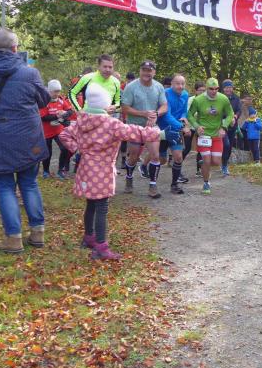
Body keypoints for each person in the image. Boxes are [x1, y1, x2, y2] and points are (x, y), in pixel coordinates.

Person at [59, 83, 164, 260]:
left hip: (85, 168)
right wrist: (159, 134)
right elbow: (135, 132)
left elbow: (64, 135)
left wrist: (78, 149)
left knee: (91, 203)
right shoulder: (111, 124)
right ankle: (101, 247)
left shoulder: (82, 120)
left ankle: (89, 237)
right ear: (104, 104)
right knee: (102, 206)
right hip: (102, 170)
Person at [0, 27, 50, 254]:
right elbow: (44, 100)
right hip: (28, 137)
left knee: (5, 186)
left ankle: (13, 239)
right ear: (15, 48)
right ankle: (37, 233)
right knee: (29, 183)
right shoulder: (30, 74)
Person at [121, 60, 168, 197]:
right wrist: (143, 113)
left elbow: (164, 106)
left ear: (154, 72)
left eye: (149, 70)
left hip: (151, 126)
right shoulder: (131, 87)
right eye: (144, 70)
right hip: (134, 125)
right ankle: (129, 178)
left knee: (155, 155)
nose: (146, 73)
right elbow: (125, 108)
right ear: (140, 71)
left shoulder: (159, 87)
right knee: (134, 156)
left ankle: (153, 186)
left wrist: (156, 114)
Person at [187, 77, 234, 194]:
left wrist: (224, 127)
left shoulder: (223, 99)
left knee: (216, 162)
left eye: (216, 88)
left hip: (217, 134)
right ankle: (206, 183)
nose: (214, 91)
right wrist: (197, 126)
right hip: (204, 135)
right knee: (207, 160)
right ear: (206, 88)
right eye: (211, 89)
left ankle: (204, 164)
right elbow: (189, 114)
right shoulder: (198, 100)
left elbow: (230, 114)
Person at [39, 79, 75, 179]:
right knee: (48, 152)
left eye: (58, 91)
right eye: (55, 91)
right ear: (49, 91)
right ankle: (46, 171)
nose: (57, 94)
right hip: (46, 132)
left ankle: (60, 171)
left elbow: (70, 110)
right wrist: (57, 116)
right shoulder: (44, 101)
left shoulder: (61, 100)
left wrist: (65, 114)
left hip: (58, 130)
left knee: (64, 148)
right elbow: (43, 117)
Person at [160, 74, 189, 194]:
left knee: (178, 157)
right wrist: (182, 126)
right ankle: (147, 171)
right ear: (172, 84)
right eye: (177, 83)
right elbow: (166, 115)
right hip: (163, 129)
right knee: (161, 160)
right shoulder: (165, 93)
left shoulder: (185, 94)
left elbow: (184, 111)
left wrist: (183, 118)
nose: (180, 86)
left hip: (176, 129)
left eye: (182, 84)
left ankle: (174, 185)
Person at [220, 79, 242, 176]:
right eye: (226, 87)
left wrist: (235, 117)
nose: (228, 89)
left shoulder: (236, 98)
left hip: (233, 125)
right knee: (226, 144)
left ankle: (224, 164)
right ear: (223, 88)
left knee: (229, 147)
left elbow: (239, 110)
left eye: (230, 87)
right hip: (222, 125)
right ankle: (222, 163)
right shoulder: (219, 97)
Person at [184, 81, 206, 177]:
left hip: (201, 127)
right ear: (195, 91)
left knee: (201, 148)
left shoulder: (207, 100)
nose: (202, 92)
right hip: (190, 126)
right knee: (187, 148)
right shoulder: (191, 100)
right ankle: (178, 165)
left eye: (204, 90)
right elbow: (188, 113)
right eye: (200, 90)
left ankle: (199, 170)